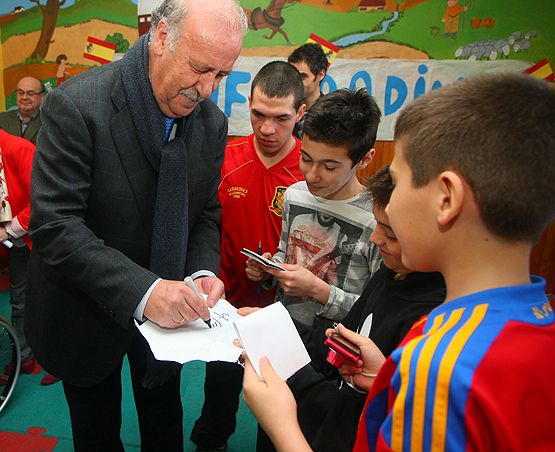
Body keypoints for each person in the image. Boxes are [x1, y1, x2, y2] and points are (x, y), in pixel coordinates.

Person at [242, 73, 555, 451]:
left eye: (398, 179)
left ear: (446, 199)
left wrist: (282, 423)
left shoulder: (439, 366)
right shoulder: (524, 327)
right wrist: (382, 380)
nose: (386, 200)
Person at [24, 0, 247, 450]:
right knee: (96, 435)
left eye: (221, 76)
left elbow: (204, 213)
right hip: (83, 309)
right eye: (200, 69)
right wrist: (145, 291)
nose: (207, 90)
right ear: (161, 38)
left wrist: (203, 272)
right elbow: (55, 226)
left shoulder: (212, 123)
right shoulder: (77, 105)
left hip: (170, 325)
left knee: (164, 425)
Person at [253, 165, 445, 452]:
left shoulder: (431, 321)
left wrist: (285, 403)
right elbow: (337, 345)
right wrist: (274, 326)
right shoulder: (390, 275)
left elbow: (360, 417)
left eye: (390, 234)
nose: (375, 238)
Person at [190, 60, 306, 451]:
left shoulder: (310, 172)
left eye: (281, 118)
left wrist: (276, 272)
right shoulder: (225, 159)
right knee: (219, 391)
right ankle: (210, 440)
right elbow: (202, 225)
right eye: (258, 114)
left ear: (300, 113)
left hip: (283, 314)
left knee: (277, 401)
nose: (267, 128)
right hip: (226, 306)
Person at [246, 88, 382, 329]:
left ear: (364, 159)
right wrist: (271, 269)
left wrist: (321, 291)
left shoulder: (377, 220)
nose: (311, 175)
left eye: (329, 167)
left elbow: (375, 310)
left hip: (336, 351)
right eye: (306, 158)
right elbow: (286, 253)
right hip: (284, 329)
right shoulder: (295, 195)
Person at [0, 129, 58, 386]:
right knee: (19, 301)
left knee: (57, 301)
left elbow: (42, 201)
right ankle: (23, 355)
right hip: (16, 242)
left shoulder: (19, 149)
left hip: (45, 236)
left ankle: (61, 360)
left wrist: (8, 229)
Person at [287, 43, 328, 139]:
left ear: (320, 75)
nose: (295, 82)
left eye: (302, 76)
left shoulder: (331, 116)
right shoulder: (283, 108)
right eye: (292, 75)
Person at [0, 76, 45, 144]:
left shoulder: (48, 123)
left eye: (30, 94)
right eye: (20, 93)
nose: (24, 97)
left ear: (42, 97)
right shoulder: (2, 119)